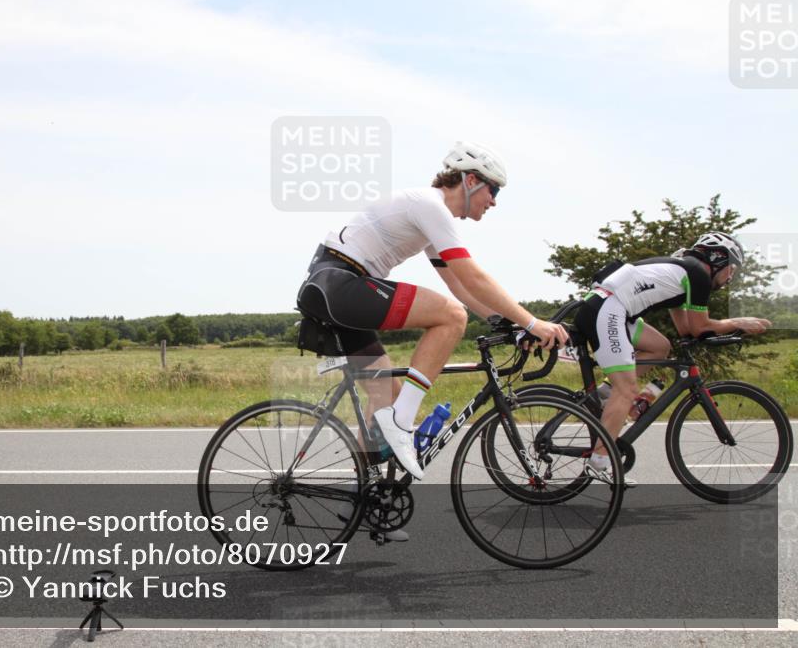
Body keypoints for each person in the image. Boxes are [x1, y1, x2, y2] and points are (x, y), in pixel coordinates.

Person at [296, 141, 569, 483]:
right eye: (493, 189)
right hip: (339, 283)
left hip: (334, 288)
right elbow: (473, 276)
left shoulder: (427, 215)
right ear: (470, 181)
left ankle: (367, 493)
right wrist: (532, 322)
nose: (495, 201)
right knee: (452, 317)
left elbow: (459, 284)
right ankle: (401, 423)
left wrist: (509, 324)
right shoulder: (430, 205)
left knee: (387, 395)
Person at [573, 231, 772, 483]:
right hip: (609, 309)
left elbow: (686, 330)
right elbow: (701, 327)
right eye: (731, 268)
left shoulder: (684, 272)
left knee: (660, 347)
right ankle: (599, 462)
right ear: (718, 258)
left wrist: (716, 330)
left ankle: (605, 395)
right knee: (628, 390)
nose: (731, 276)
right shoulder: (697, 274)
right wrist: (738, 322)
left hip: (610, 308)